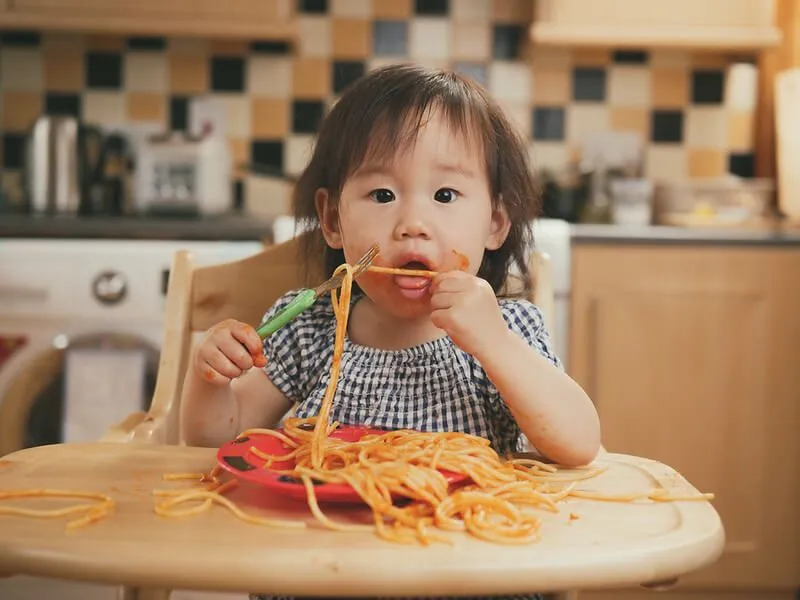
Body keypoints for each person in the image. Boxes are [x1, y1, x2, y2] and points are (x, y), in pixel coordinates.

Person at [180, 63, 601, 600]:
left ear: (495, 223)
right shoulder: (312, 327)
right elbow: (216, 441)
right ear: (332, 220)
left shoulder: (508, 329)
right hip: (323, 570)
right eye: (382, 195)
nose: (412, 224)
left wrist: (492, 344)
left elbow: (579, 444)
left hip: (470, 571)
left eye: (445, 196)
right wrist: (210, 378)